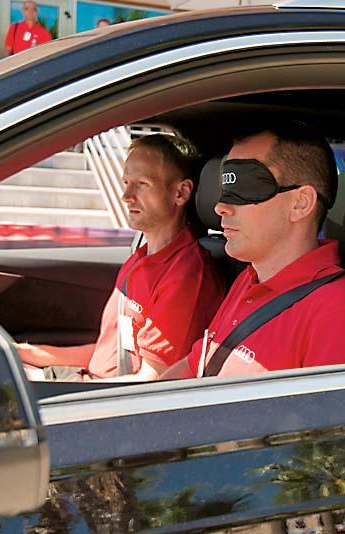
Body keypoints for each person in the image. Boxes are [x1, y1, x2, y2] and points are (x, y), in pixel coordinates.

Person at [163, 120, 345, 379]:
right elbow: (194, 366)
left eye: (245, 188)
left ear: (300, 203)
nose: (221, 207)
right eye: (226, 189)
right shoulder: (248, 280)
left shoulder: (342, 313)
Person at [17, 133, 225, 381]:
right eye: (126, 182)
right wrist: (29, 354)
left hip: (110, 395)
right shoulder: (140, 258)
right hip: (94, 381)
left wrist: (68, 391)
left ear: (181, 193)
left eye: (142, 184)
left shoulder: (185, 276)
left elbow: (152, 381)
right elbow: (109, 355)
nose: (126, 196)